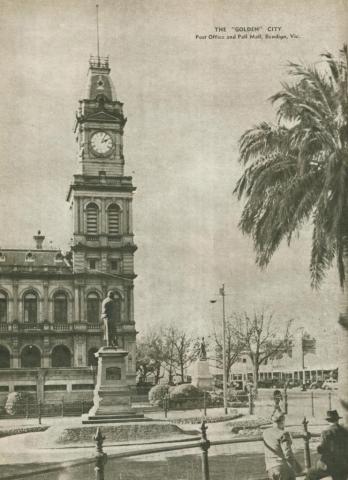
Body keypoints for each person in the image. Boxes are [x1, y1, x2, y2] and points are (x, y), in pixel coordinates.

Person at [305, 410, 348, 480]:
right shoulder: (345, 431)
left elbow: (322, 449)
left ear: (328, 421)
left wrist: (318, 448)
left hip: (329, 464)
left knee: (310, 473)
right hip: (344, 464)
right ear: (338, 420)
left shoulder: (326, 432)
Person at [263, 411, 301, 480]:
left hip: (270, 468)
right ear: (283, 421)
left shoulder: (265, 432)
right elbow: (288, 454)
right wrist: (297, 468)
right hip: (283, 468)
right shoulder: (283, 434)